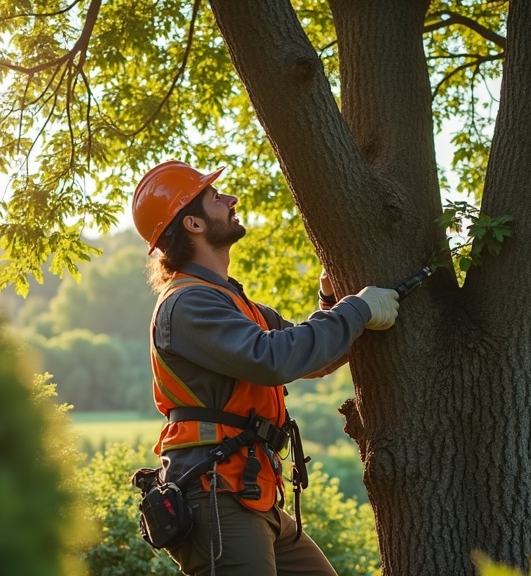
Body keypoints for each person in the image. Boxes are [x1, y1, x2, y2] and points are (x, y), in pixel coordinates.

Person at [131, 160, 399, 576]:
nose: (230, 200)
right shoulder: (187, 304)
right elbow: (274, 359)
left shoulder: (238, 304)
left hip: (249, 489)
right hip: (216, 495)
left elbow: (311, 358)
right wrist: (357, 309)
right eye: (215, 198)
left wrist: (333, 306)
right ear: (194, 225)